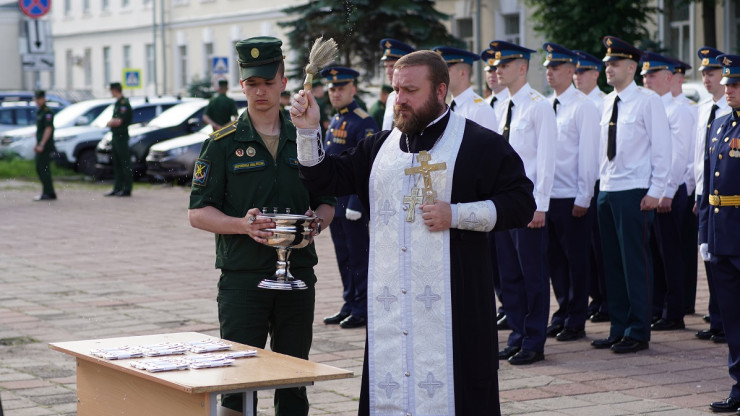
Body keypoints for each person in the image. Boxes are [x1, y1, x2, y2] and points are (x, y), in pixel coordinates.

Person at [290, 49, 535, 416]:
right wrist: (309, 130)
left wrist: (457, 214)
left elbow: (521, 203)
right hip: (392, 307)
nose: (399, 100)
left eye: (410, 91)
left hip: (457, 304)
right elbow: (326, 177)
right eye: (396, 89)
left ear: (440, 91)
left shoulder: (478, 144)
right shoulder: (379, 147)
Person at [187, 36, 335, 415]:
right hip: (242, 278)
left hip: (297, 275)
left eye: (268, 82)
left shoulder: (305, 135)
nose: (260, 91)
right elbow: (198, 212)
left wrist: (315, 224)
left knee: (294, 380)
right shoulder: (221, 144)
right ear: (242, 85)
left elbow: (327, 200)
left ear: (284, 82)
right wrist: (241, 225)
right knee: (236, 383)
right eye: (252, 83)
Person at [590, 36, 670, 354]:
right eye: (607, 63)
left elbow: (663, 148)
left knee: (634, 262)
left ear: (632, 67)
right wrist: (599, 188)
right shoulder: (608, 101)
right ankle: (618, 326)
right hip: (608, 189)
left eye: (615, 63)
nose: (608, 68)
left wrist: (657, 191)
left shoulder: (647, 101)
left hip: (635, 190)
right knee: (611, 262)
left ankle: (638, 329)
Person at [490, 40, 557, 365]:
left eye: (504, 65)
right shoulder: (502, 105)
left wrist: (540, 205)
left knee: (532, 274)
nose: (498, 70)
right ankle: (516, 334)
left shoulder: (538, 106)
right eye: (497, 66)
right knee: (509, 275)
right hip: (503, 204)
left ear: (521, 68)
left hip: (528, 205)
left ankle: (534, 339)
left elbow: (545, 160)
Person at [542, 43, 600, 342]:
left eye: (555, 68)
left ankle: (577, 318)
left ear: (570, 70)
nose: (549, 73)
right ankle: (563, 310)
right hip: (549, 195)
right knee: (555, 260)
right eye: (547, 68)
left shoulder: (583, 106)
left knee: (576, 260)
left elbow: (588, 154)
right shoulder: (547, 104)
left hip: (572, 196)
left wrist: (583, 196)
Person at [319, 66, 378, 329]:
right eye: (332, 88)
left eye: (341, 87)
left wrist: (356, 201)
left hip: (353, 202)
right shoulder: (335, 120)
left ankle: (362, 306)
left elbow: (367, 165)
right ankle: (349, 301)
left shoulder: (363, 121)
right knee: (343, 256)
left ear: (353, 88)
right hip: (336, 202)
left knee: (358, 257)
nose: (335, 92)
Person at [639, 52, 693, 331]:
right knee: (655, 254)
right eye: (644, 75)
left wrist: (667, 192)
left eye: (652, 75)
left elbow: (678, 155)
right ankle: (658, 307)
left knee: (670, 253)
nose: (646, 80)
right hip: (653, 190)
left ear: (669, 78)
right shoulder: (650, 107)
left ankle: (674, 312)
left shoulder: (678, 109)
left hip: (670, 192)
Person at [701, 53, 740, 414]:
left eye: (735, 83)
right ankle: (739, 385)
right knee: (731, 316)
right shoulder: (719, 125)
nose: (728, 89)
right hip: (721, 236)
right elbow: (706, 187)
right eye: (726, 83)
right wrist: (703, 234)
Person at [694, 46, 730, 344]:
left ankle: (722, 320)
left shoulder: (732, 113)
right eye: (704, 73)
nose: (707, 79)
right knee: (713, 263)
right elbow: (701, 158)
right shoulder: (707, 111)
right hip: (708, 197)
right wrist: (698, 193)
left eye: (713, 73)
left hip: (732, 208)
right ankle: (718, 320)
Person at [573, 50, 610, 324]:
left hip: (597, 181)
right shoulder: (570, 104)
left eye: (583, 71)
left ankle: (605, 299)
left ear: (596, 74)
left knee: (600, 247)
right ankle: (595, 298)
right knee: (584, 249)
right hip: (576, 183)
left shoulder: (602, 102)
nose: (578, 76)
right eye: (575, 72)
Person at [667, 57, 700, 317]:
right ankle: (675, 301)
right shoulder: (661, 106)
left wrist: (688, 189)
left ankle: (684, 301)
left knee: (682, 249)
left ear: (678, 78)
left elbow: (687, 155)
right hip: (672, 186)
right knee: (670, 250)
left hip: (682, 187)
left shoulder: (687, 108)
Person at [433, 46, 498, 132]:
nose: (441, 75)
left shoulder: (480, 110)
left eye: (446, 71)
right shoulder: (447, 106)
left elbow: (491, 144)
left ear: (462, 73)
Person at [379, 38, 415, 130]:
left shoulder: (415, 98)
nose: (388, 71)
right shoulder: (391, 97)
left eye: (392, 66)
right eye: (386, 66)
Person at [105, 82, 133, 197]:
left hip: (121, 136)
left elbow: (118, 121)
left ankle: (127, 188)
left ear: (115, 90)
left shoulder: (124, 104)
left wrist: (110, 122)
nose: (110, 92)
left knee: (125, 162)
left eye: (111, 90)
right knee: (117, 163)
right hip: (115, 136)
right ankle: (117, 187)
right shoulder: (117, 103)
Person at [32, 90, 56, 201]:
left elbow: (48, 129)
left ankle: (48, 192)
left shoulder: (47, 112)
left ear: (43, 98)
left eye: (38, 99)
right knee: (40, 167)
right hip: (41, 143)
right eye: (36, 99)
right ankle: (49, 192)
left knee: (42, 168)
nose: (37, 101)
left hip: (45, 145)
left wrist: (41, 144)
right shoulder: (40, 111)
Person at [481, 48, 511, 125]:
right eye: (489, 71)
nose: (492, 75)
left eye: (495, 70)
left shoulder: (512, 103)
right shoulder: (484, 103)